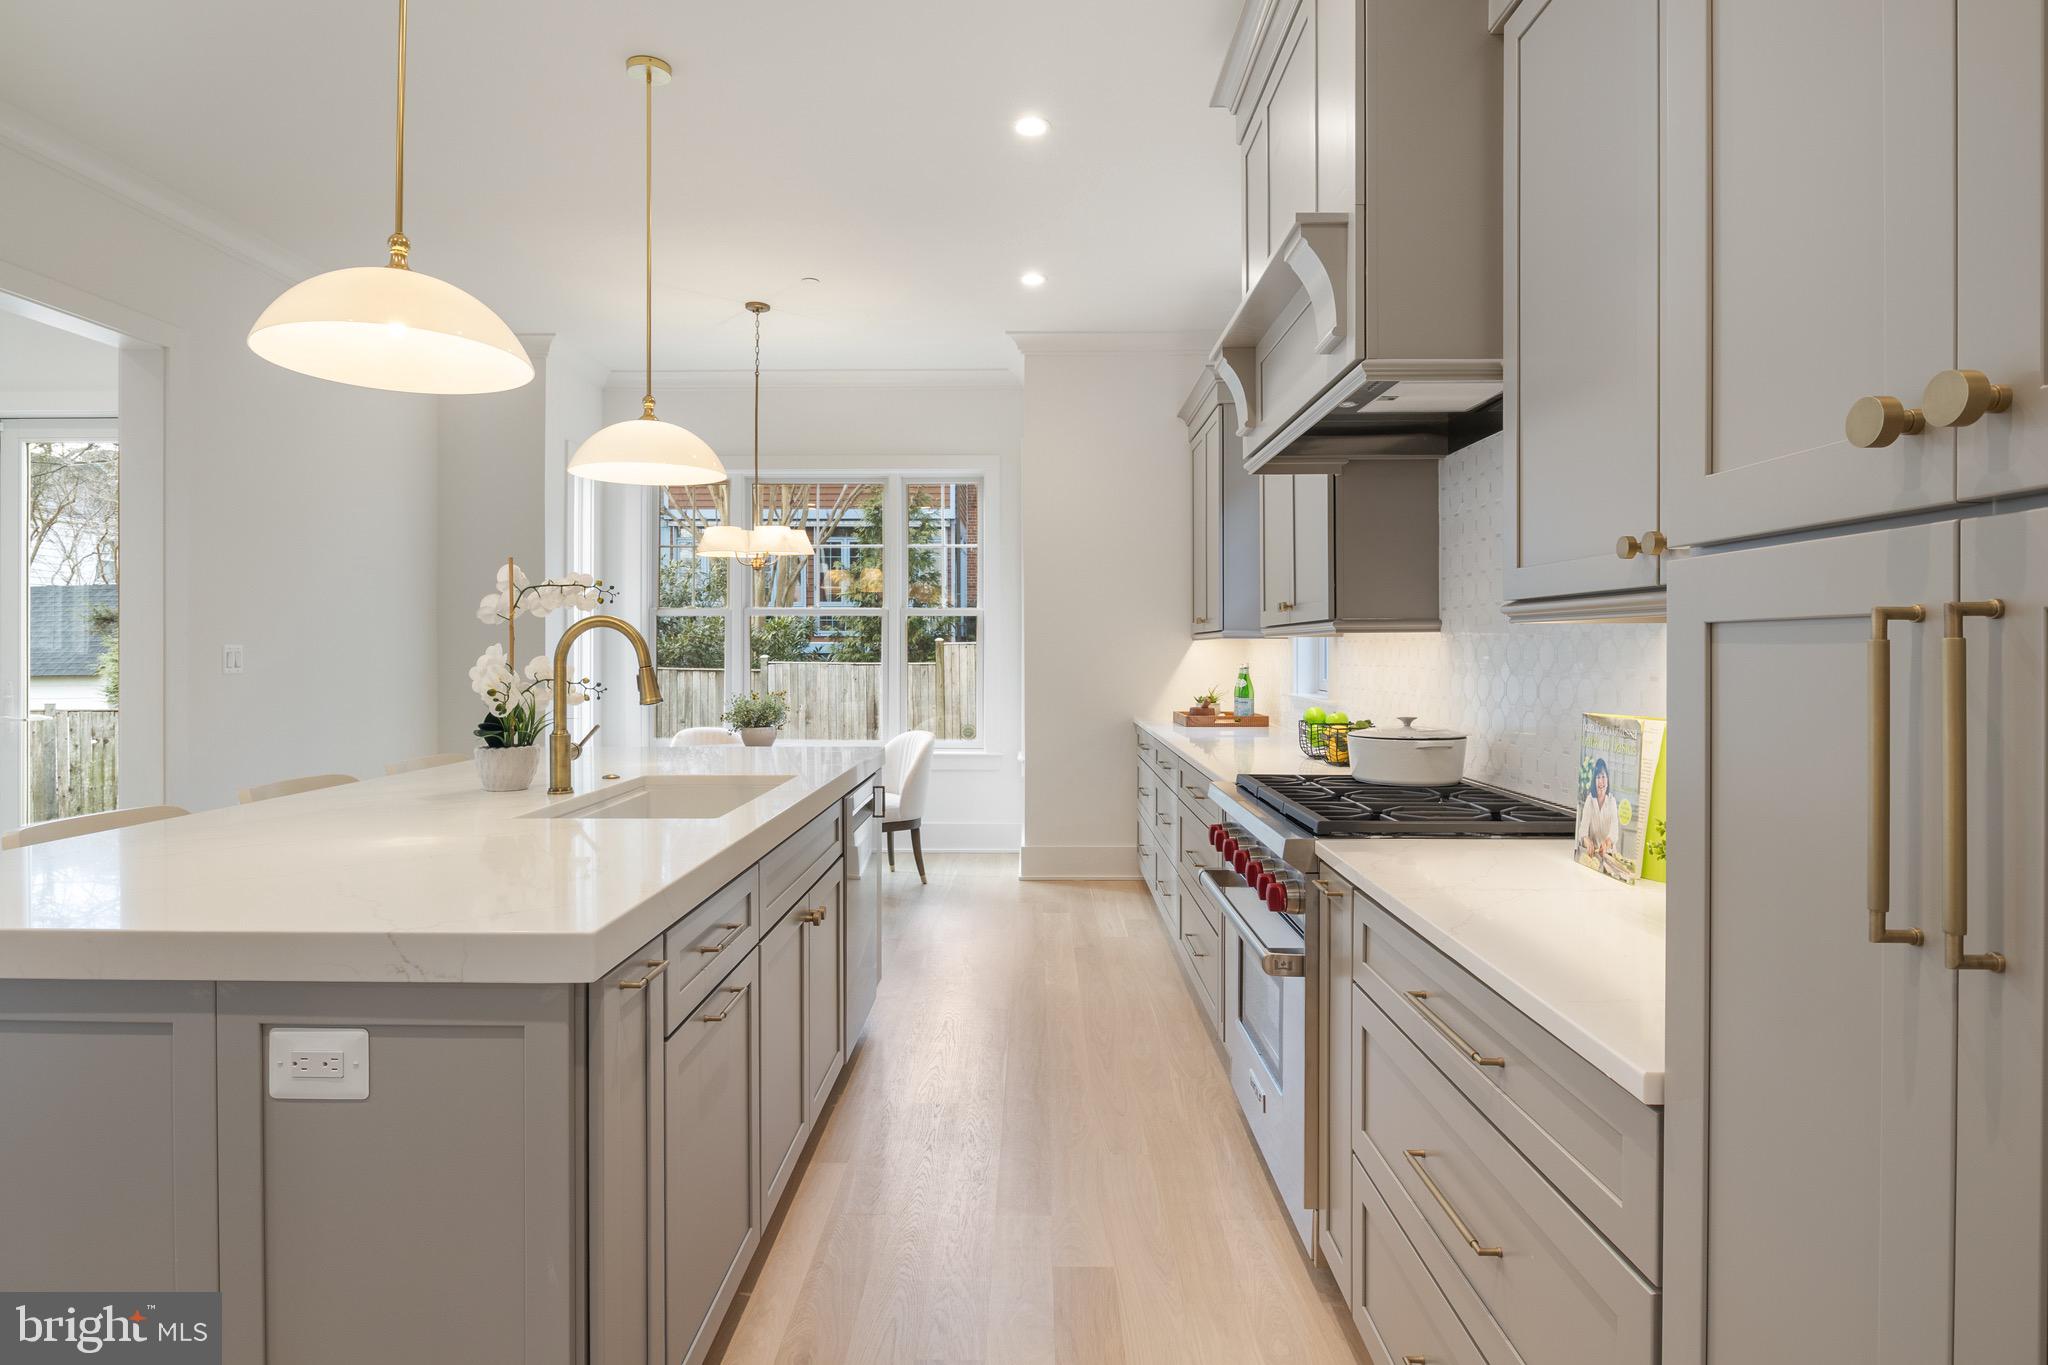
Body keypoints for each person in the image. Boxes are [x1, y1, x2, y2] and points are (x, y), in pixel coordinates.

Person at [1578, 757, 1621, 861]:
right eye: (1598, 777)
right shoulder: (1590, 800)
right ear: (1594, 781)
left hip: (1609, 855)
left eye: (1604, 776)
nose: (1601, 781)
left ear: (1608, 779)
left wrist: (1608, 842)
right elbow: (1582, 831)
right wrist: (1586, 840)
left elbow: (1614, 831)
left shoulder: (1612, 801)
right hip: (1593, 856)